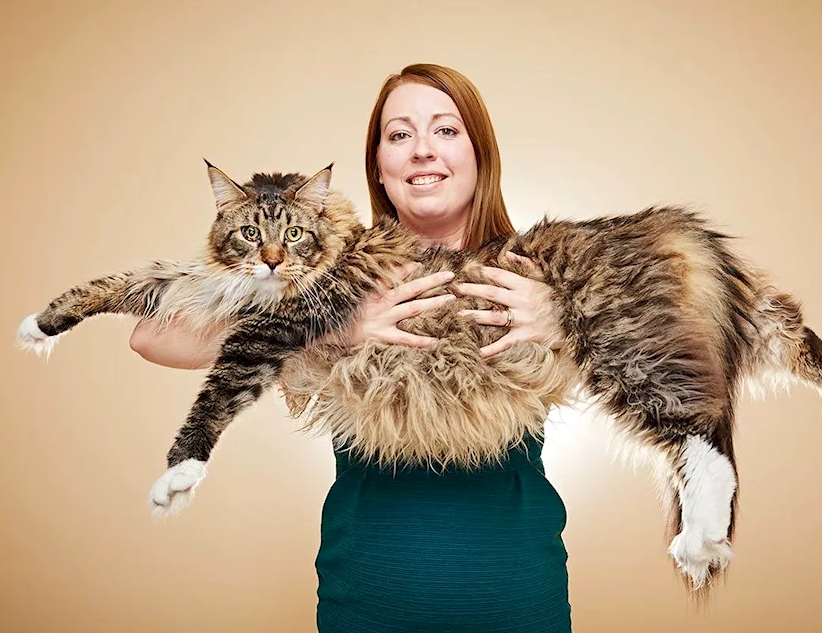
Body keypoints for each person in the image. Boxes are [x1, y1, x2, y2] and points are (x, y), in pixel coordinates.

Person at [129, 63, 573, 632]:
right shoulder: (323, 271)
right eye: (399, 135)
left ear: (479, 155)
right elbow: (151, 336)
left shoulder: (544, 268)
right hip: (367, 601)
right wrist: (331, 321)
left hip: (518, 599)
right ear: (379, 171)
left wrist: (567, 318)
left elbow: (673, 350)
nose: (421, 151)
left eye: (445, 130)